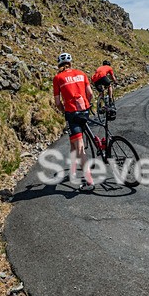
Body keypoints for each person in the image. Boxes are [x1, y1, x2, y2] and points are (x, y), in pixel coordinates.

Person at [52, 52, 95, 192]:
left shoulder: (58, 78)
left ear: (59, 65)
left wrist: (64, 111)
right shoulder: (81, 74)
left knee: (80, 146)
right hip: (85, 110)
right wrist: (88, 105)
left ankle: (89, 180)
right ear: (70, 63)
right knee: (73, 142)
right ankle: (73, 169)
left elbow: (57, 102)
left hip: (72, 113)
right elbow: (90, 94)